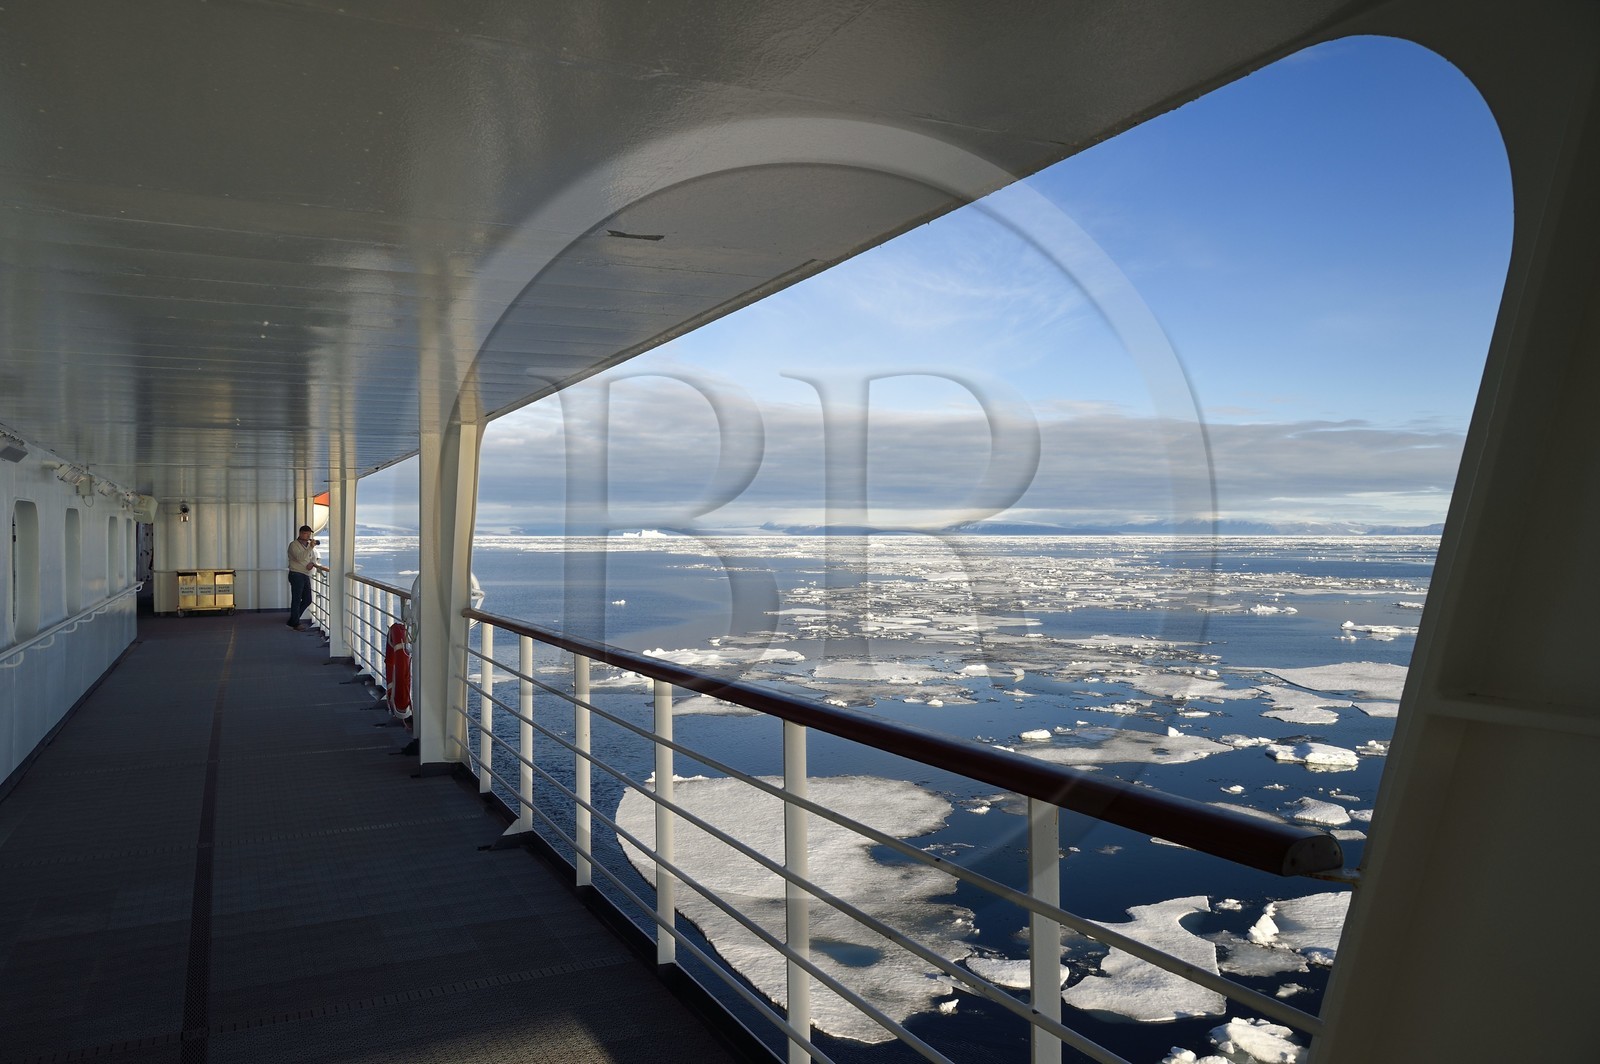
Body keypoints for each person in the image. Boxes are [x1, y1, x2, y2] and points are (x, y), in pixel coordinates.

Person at [286, 525, 318, 629]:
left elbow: (313, 557)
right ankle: (295, 623)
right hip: (296, 574)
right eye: (306, 533)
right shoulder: (293, 545)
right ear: (300, 533)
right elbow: (300, 558)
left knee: (307, 599)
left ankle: (293, 619)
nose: (308, 535)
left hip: (305, 574)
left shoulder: (308, 546)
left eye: (309, 534)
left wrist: (312, 563)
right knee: (296, 599)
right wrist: (311, 547)